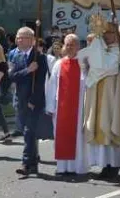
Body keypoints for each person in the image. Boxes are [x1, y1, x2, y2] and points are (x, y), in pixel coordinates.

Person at [82, 22, 120, 179]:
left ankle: (114, 164)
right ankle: (104, 164)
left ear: (116, 35)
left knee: (111, 124)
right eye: (105, 33)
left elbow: (110, 67)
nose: (107, 36)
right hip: (97, 92)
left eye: (110, 33)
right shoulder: (99, 49)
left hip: (113, 92)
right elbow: (86, 64)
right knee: (99, 126)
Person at [46, 34, 88, 174]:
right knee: (61, 136)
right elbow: (52, 85)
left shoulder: (83, 64)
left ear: (78, 47)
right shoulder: (59, 63)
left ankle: (77, 167)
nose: (69, 47)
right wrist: (50, 106)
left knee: (78, 138)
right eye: (67, 45)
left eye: (72, 45)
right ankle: (62, 167)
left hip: (78, 107)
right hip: (61, 107)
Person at [9, 27, 47, 176]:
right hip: (20, 98)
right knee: (28, 132)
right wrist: (28, 70)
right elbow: (11, 76)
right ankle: (34, 162)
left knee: (28, 131)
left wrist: (34, 100)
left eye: (23, 37)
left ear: (32, 40)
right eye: (18, 37)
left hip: (33, 100)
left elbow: (40, 81)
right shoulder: (13, 54)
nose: (19, 40)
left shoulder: (39, 57)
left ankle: (25, 163)